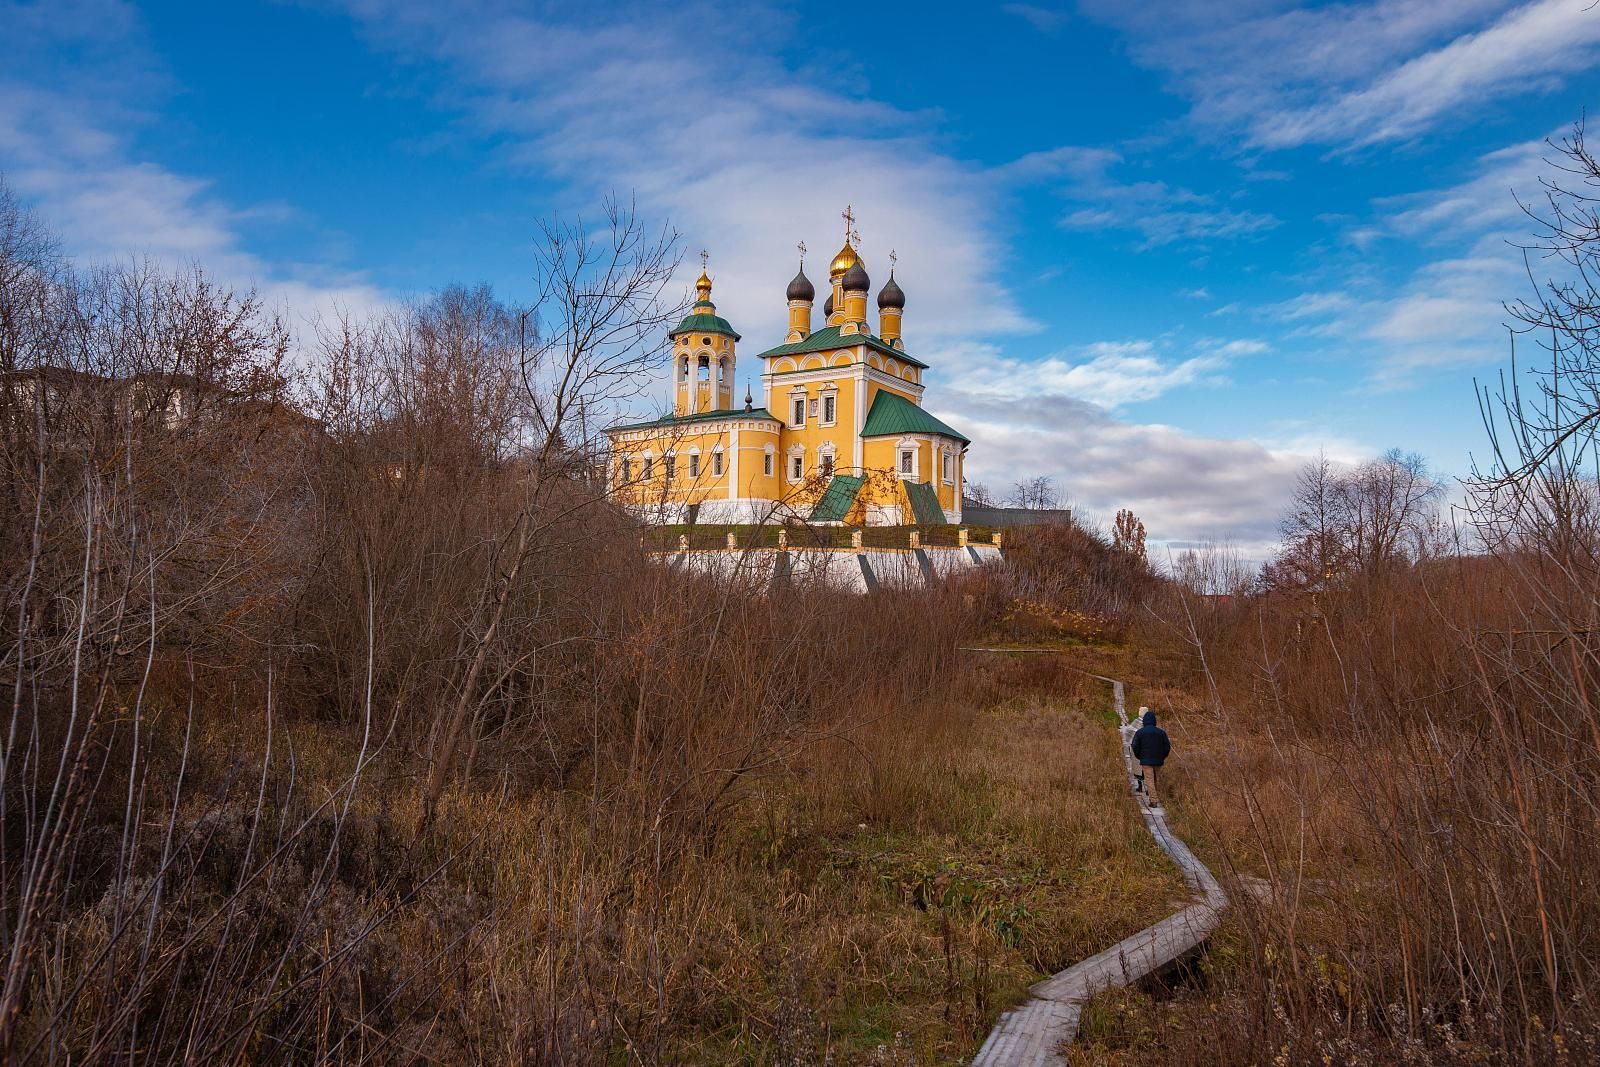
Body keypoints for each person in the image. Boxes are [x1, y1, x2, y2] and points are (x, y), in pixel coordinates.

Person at [1130, 709, 1171, 808]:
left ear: (1144, 721)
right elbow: (1167, 747)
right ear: (1154, 721)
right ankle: (1156, 796)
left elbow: (1135, 746)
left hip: (1146, 760)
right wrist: (1162, 756)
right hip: (1158, 760)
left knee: (1149, 780)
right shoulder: (1161, 733)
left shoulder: (1140, 733)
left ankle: (1153, 800)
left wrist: (1139, 756)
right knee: (1156, 779)